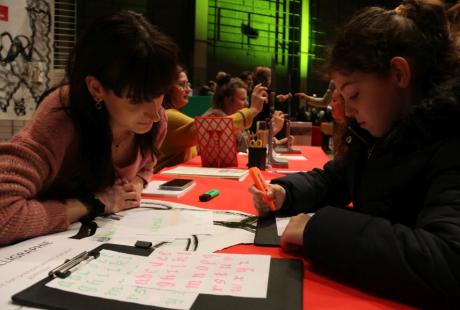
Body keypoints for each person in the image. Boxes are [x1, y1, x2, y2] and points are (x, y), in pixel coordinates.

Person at [249, 1, 460, 308]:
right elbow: (336, 178)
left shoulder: (450, 137)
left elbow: (448, 261)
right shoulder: (377, 133)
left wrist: (319, 229)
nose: (347, 110)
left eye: (354, 94)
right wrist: (286, 193)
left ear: (399, 74)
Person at [0, 11, 178, 246]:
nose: (156, 114)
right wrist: (92, 203)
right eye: (136, 100)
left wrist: (135, 184)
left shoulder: (155, 122)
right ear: (96, 88)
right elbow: (4, 218)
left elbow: (146, 164)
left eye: (159, 93)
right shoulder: (62, 116)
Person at [155, 67, 268, 172]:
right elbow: (210, 130)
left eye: (188, 84)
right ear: (167, 88)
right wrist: (252, 110)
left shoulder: (174, 115)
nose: (188, 89)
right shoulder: (167, 116)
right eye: (182, 84)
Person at [202, 74, 284, 152]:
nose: (247, 103)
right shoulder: (215, 117)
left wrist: (272, 133)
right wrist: (254, 110)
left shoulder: (235, 118)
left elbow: (249, 147)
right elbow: (244, 151)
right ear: (227, 100)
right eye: (242, 99)